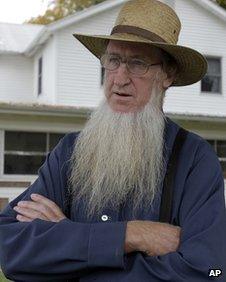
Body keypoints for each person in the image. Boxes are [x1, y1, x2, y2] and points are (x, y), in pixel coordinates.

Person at [0, 0, 226, 281]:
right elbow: (9, 249)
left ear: (168, 74)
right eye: (114, 60)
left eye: (137, 63)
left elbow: (209, 272)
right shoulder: (70, 153)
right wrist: (130, 235)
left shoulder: (195, 161)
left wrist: (68, 243)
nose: (120, 78)